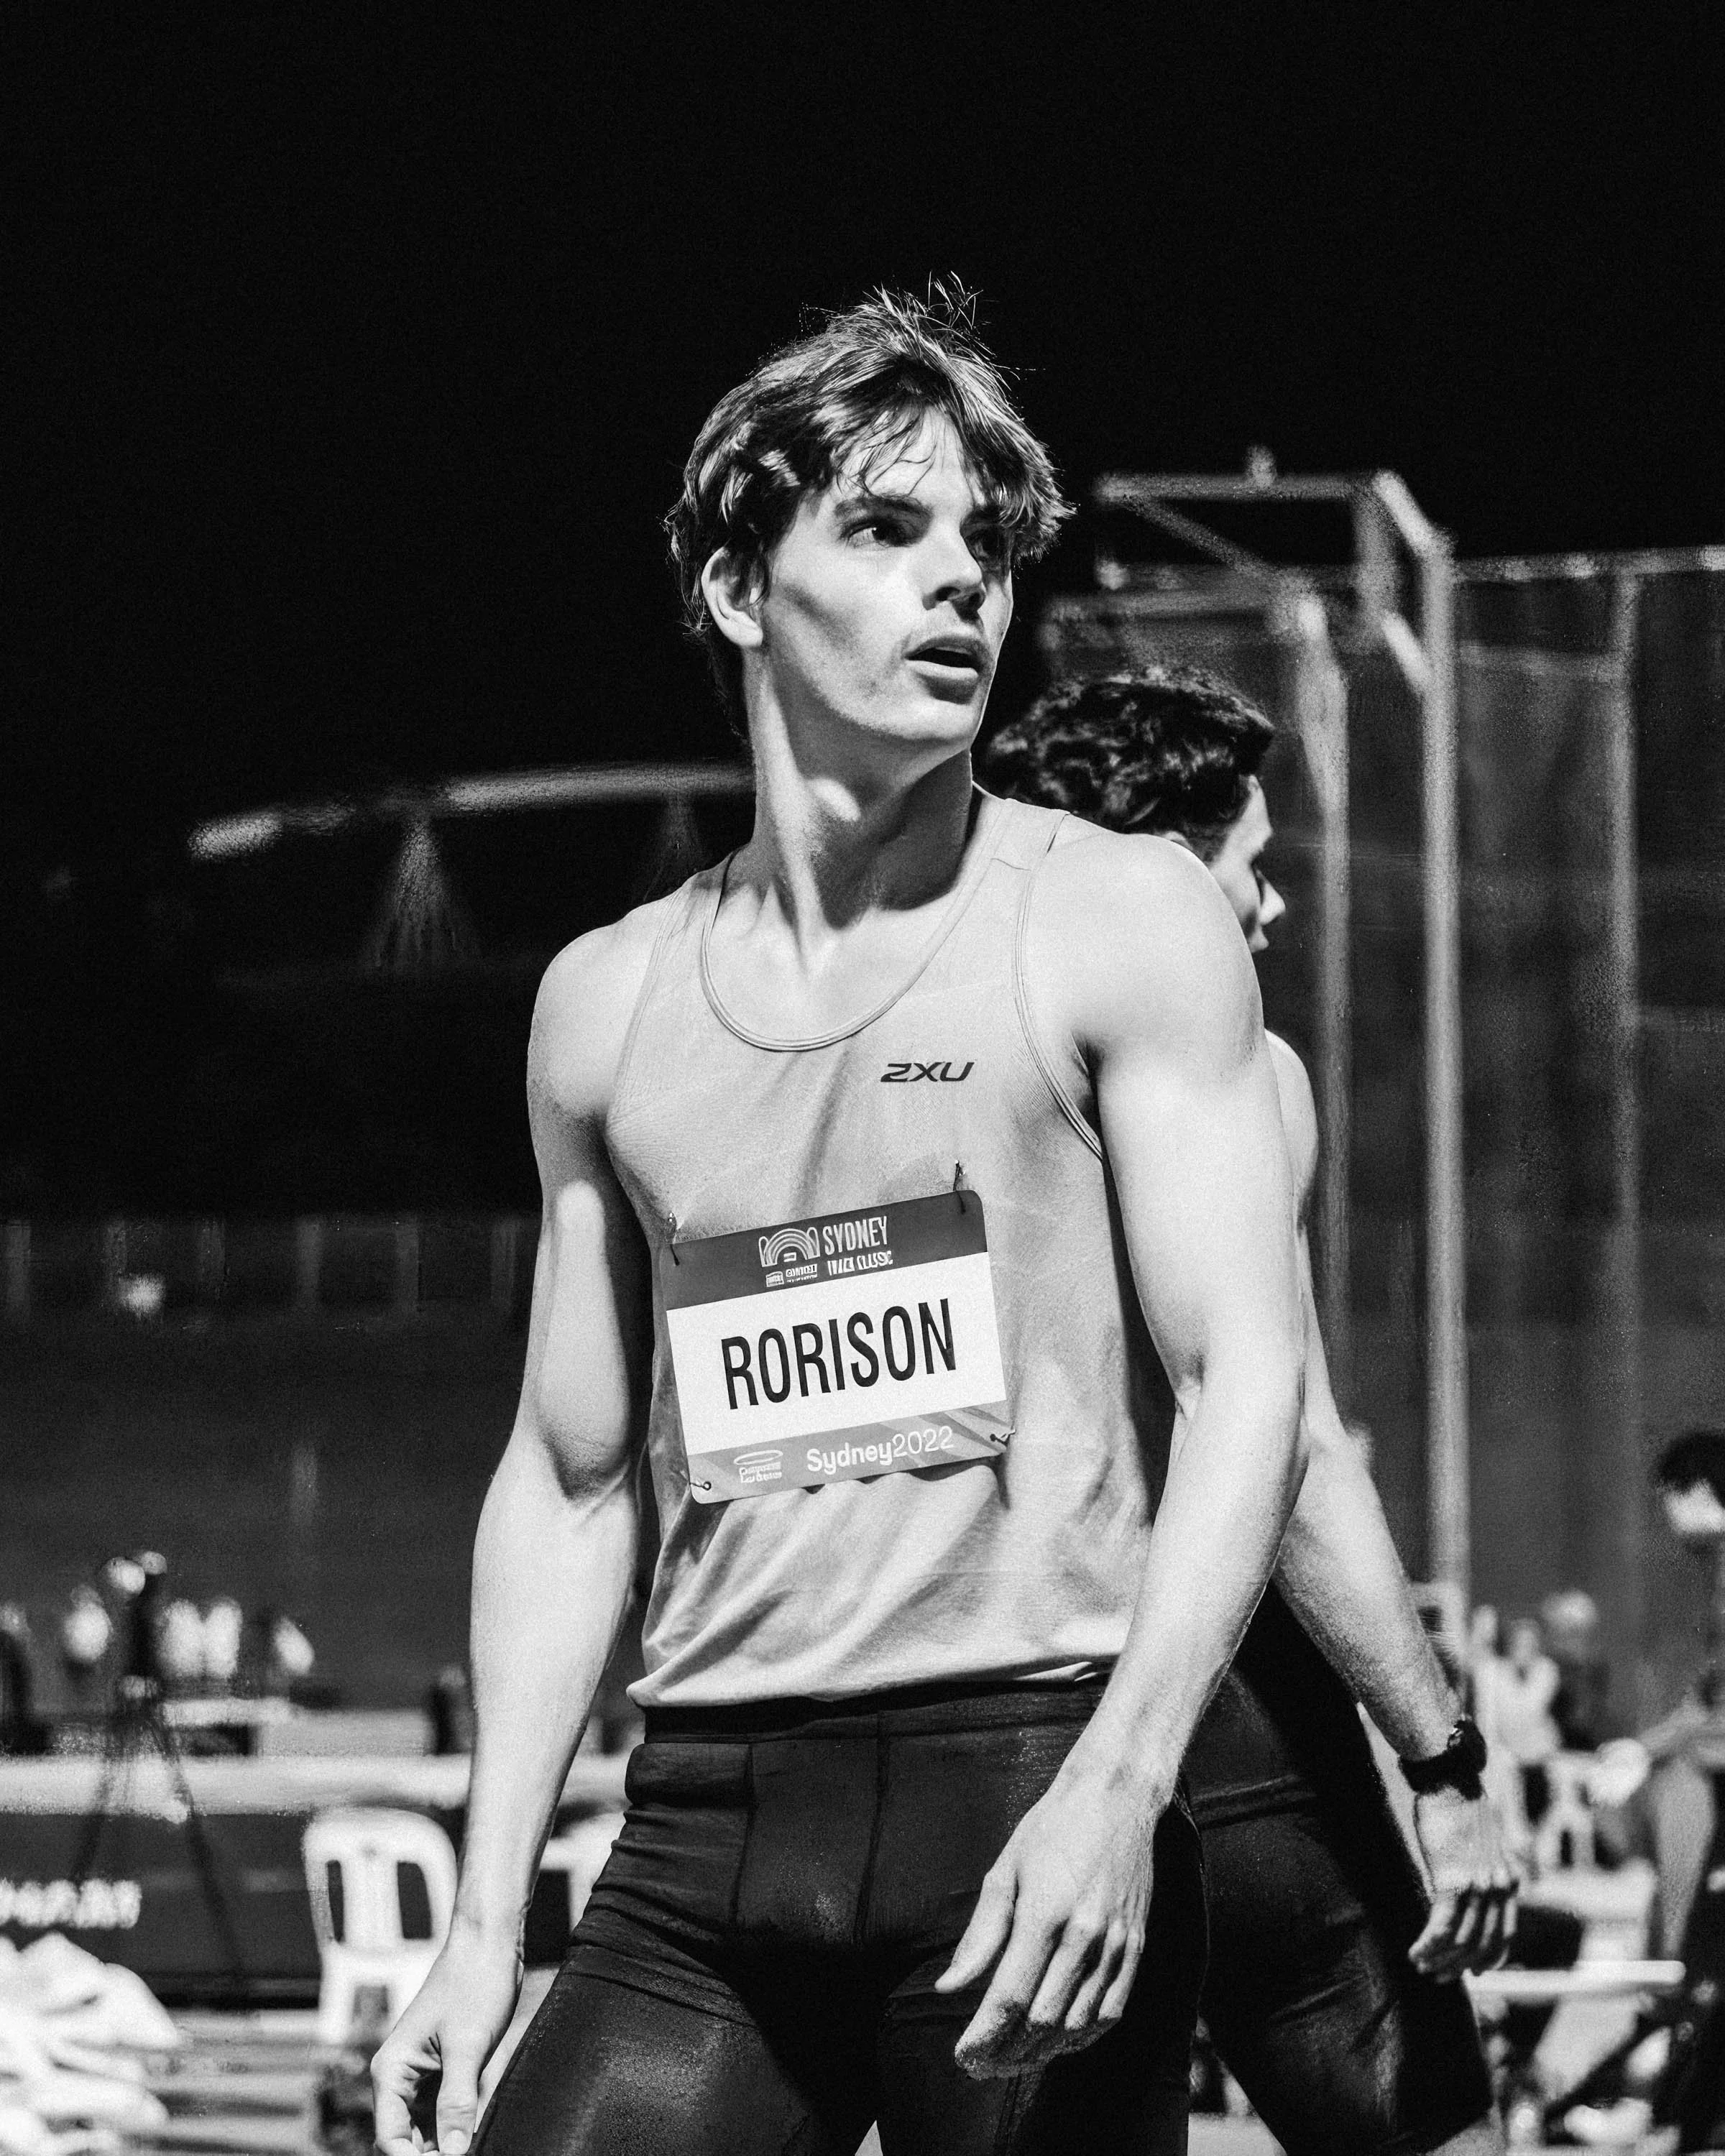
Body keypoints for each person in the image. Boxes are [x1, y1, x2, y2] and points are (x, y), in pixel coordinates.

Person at [372, 287, 1308, 2156]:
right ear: (741, 590)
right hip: (705, 1830)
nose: (960, 584)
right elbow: (567, 1485)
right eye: (886, 532)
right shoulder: (606, 1005)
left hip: (1030, 1787)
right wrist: (483, 1924)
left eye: (986, 542)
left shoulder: (1121, 921)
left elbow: (1249, 1387)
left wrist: (1127, 1787)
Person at [984, 664, 1514, 2156]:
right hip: (1234, 1726)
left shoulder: (931, 1082)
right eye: (1250, 867)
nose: (1271, 909)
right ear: (1160, 868)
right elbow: (1290, 1451)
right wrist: (1445, 1762)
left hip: (999, 1730)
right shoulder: (1242, 1076)